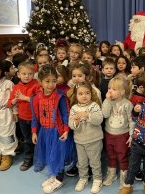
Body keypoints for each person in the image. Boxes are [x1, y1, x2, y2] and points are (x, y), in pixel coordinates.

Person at [30, 65, 74, 194]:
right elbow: (35, 116)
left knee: (57, 155)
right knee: (49, 153)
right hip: (44, 131)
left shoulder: (60, 96)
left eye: (54, 81)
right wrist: (34, 131)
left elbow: (66, 114)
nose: (51, 84)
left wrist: (66, 130)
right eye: (47, 81)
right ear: (40, 82)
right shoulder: (36, 98)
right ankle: (53, 175)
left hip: (57, 131)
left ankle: (59, 179)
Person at [68, 82, 104, 193]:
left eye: (87, 93)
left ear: (91, 94)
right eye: (81, 94)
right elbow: (70, 124)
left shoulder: (94, 106)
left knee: (95, 162)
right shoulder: (74, 108)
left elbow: (99, 119)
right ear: (76, 95)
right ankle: (83, 178)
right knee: (81, 162)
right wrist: (76, 122)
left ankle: (97, 179)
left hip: (94, 140)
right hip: (79, 141)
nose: (84, 96)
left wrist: (88, 115)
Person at [102, 76, 134, 189]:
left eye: (114, 89)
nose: (110, 91)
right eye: (109, 88)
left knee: (122, 156)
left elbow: (131, 121)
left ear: (122, 92)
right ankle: (112, 173)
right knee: (111, 155)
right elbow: (105, 114)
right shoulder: (108, 101)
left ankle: (124, 175)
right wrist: (107, 100)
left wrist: (131, 135)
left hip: (122, 135)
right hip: (109, 133)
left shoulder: (127, 104)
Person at [7, 62, 40, 171]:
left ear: (33, 74)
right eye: (24, 74)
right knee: (27, 139)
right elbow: (9, 103)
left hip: (36, 118)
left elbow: (40, 100)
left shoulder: (37, 85)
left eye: (30, 74)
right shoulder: (16, 87)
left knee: (38, 139)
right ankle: (28, 158)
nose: (27, 76)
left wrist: (24, 97)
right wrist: (13, 101)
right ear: (18, 75)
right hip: (22, 118)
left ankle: (39, 158)